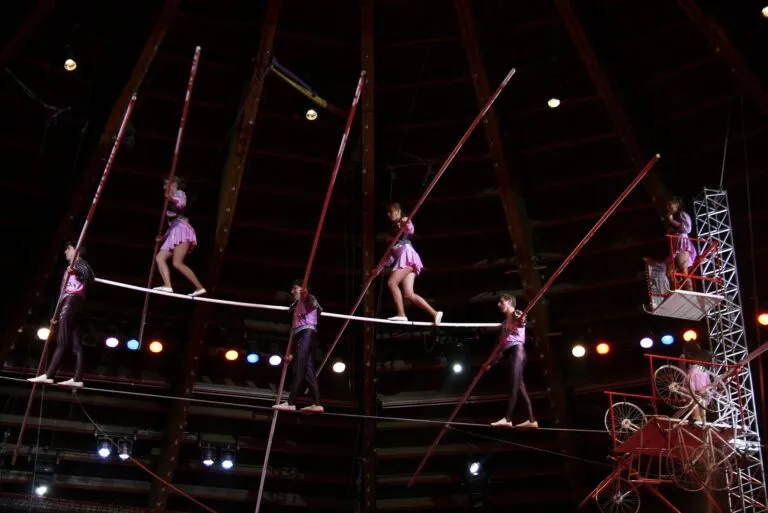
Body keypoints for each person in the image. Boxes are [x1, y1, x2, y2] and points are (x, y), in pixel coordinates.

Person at [28, 242, 94, 387]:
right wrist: (56, 315)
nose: (65, 252)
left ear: (76, 250)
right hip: (70, 303)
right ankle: (77, 379)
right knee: (76, 343)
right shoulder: (71, 267)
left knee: (62, 341)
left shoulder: (80, 264)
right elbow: (62, 293)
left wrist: (75, 271)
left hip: (72, 301)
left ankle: (49, 375)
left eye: (68, 249)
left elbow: (89, 276)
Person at [378, 202, 442, 324]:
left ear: (398, 210)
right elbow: (388, 256)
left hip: (407, 257)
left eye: (391, 211)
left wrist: (406, 223)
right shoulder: (391, 233)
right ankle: (435, 313)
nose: (388, 214)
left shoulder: (403, 221)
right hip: (405, 260)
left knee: (392, 282)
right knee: (408, 294)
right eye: (387, 212)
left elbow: (410, 230)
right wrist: (377, 270)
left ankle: (401, 314)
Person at [273, 280, 324, 414]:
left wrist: (305, 294)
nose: (292, 291)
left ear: (302, 289)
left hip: (307, 333)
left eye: (294, 288)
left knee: (299, 368)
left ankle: (291, 402)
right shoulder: (296, 304)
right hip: (302, 335)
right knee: (308, 371)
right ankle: (317, 404)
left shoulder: (308, 298)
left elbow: (312, 302)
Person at [490, 295, 537, 429]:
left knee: (514, 384)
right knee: (520, 387)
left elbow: (522, 322)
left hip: (517, 351)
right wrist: (491, 362)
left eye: (501, 301)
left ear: (509, 301)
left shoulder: (517, 313)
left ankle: (508, 418)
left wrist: (519, 319)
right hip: (510, 353)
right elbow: (500, 345)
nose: (499, 305)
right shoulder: (505, 323)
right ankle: (532, 420)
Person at [153, 177, 205, 297]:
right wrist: (163, 237)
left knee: (177, 263)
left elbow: (182, 203)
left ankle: (199, 287)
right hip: (175, 232)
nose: (167, 187)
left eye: (169, 184)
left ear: (175, 184)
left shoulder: (179, 194)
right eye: (165, 185)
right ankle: (167, 285)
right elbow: (172, 225)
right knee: (160, 257)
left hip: (182, 231)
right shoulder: (170, 202)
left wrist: (171, 198)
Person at [665, 196, 697, 291]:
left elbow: (687, 229)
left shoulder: (682, 214)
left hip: (682, 243)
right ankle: (677, 290)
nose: (668, 207)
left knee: (684, 271)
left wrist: (672, 221)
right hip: (676, 244)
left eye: (670, 204)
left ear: (677, 205)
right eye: (667, 205)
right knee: (669, 272)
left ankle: (690, 293)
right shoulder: (675, 216)